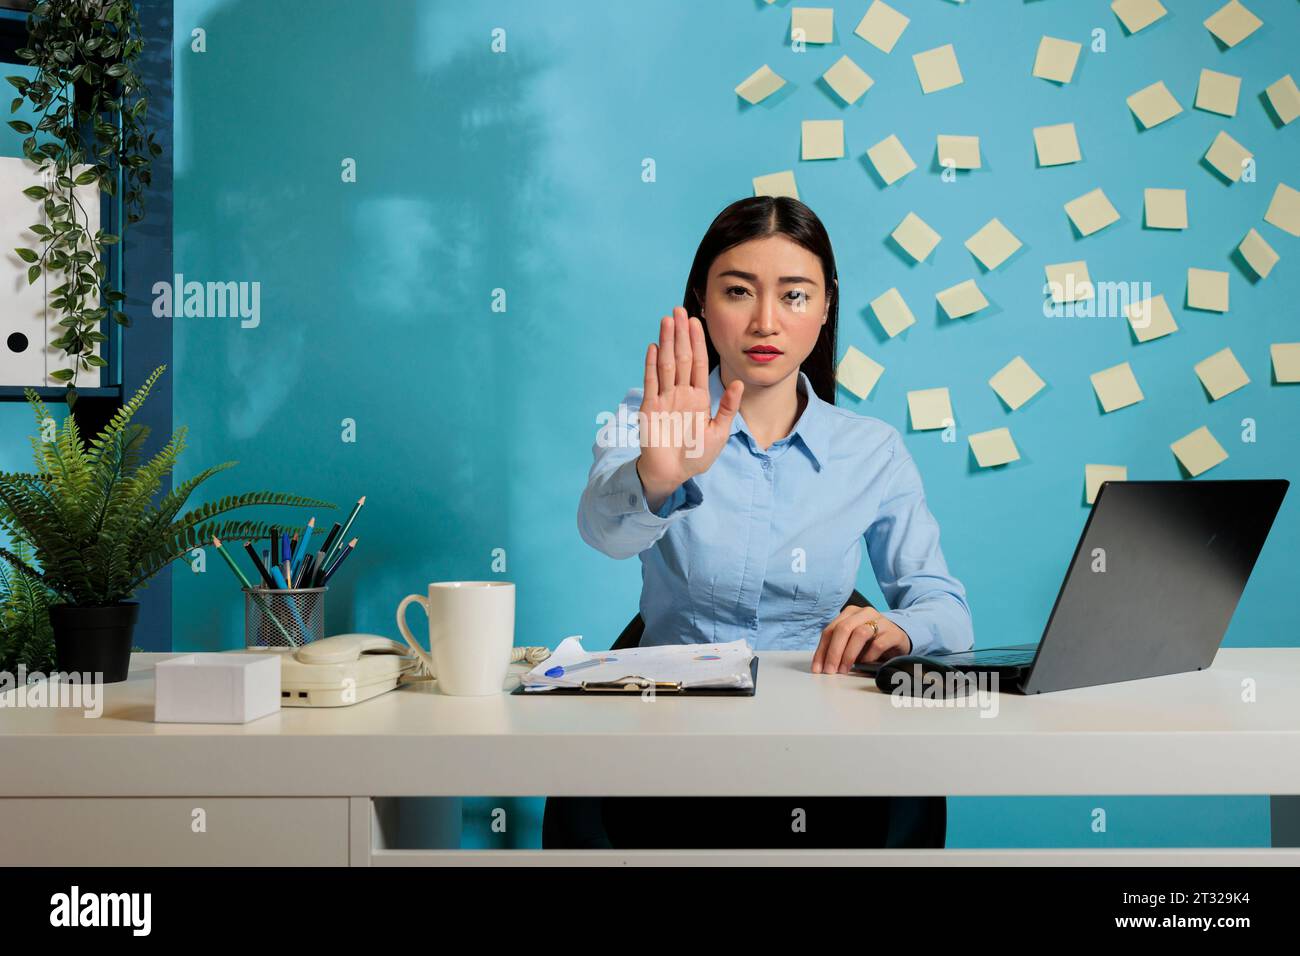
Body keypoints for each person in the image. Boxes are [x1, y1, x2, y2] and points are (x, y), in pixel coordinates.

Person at [546, 196, 974, 850]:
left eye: (795, 296)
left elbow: (946, 611)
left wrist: (897, 628)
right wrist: (660, 475)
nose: (765, 320)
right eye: (739, 291)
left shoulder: (873, 449)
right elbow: (603, 531)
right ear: (701, 300)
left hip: (825, 754)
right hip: (671, 750)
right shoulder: (652, 417)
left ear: (827, 305)